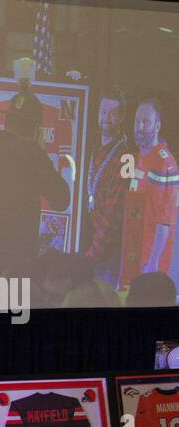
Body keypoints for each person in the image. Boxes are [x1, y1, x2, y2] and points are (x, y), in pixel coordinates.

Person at [0, 84, 71, 286]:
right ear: (36, 128)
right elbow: (62, 199)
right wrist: (40, 153)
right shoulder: (33, 157)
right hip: (14, 273)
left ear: (6, 121)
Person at [120, 99, 179, 291]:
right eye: (137, 121)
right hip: (133, 253)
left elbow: (165, 220)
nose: (140, 127)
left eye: (146, 122)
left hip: (150, 262)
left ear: (158, 126)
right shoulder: (138, 157)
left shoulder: (164, 163)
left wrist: (153, 262)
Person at [84, 91, 133, 287]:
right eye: (103, 111)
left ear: (122, 117)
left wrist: (90, 256)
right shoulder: (95, 151)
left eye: (113, 113)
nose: (106, 118)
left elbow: (114, 216)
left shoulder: (126, 157)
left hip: (106, 257)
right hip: (90, 251)